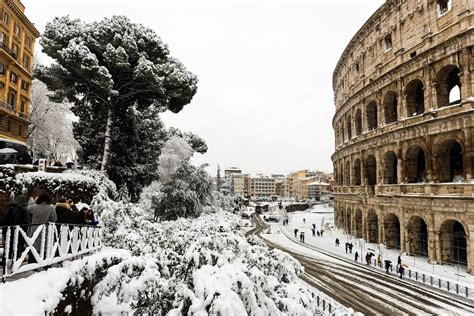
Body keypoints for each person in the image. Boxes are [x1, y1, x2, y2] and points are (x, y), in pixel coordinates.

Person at [27, 193, 57, 263]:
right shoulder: (51, 208)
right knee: (45, 247)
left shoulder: (34, 207)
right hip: (45, 230)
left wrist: (32, 202)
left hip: (34, 229)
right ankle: (45, 264)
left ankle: (32, 265)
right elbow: (54, 219)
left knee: (33, 246)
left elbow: (28, 208)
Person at [1, 194, 30, 259]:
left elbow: (3, 218)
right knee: (18, 246)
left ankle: (5, 259)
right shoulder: (23, 210)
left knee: (8, 245)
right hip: (19, 231)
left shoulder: (8, 207)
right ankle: (15, 261)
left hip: (7, 229)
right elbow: (26, 221)